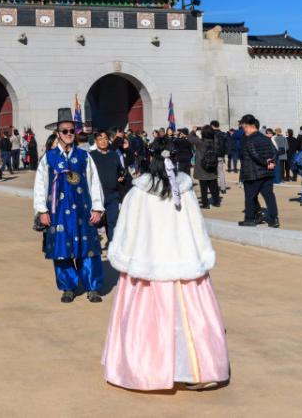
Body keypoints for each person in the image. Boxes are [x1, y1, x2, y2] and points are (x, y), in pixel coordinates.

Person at [102, 147, 229, 391]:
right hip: (183, 263)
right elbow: (197, 227)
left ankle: (147, 370)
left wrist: (123, 255)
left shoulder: (138, 193)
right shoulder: (185, 192)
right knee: (190, 318)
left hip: (148, 265)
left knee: (147, 322)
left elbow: (127, 228)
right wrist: (201, 255)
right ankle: (200, 369)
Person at [33, 108, 105, 303]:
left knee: (88, 250)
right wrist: (42, 210)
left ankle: (92, 287)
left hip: (83, 210)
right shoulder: (49, 158)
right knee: (61, 251)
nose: (69, 134)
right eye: (64, 131)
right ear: (58, 134)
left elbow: (94, 182)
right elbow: (40, 185)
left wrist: (97, 208)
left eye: (72, 131)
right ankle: (68, 287)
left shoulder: (84, 157)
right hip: (57, 213)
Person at [238, 115, 279, 227]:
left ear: (248, 126)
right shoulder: (266, 138)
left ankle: (250, 219)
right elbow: (275, 152)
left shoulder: (248, 140)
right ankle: (274, 219)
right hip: (267, 173)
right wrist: (271, 163)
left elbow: (254, 154)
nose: (244, 130)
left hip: (253, 173)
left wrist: (266, 163)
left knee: (250, 197)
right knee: (269, 196)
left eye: (244, 127)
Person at [88, 130, 124, 245]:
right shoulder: (91, 156)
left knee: (112, 222)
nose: (103, 141)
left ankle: (112, 245)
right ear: (95, 141)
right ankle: (93, 246)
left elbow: (120, 170)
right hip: (97, 196)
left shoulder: (114, 154)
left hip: (113, 195)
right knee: (94, 222)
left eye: (105, 139)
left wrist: (122, 175)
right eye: (100, 139)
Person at [188, 125, 221, 209]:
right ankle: (216, 202)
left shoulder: (200, 142)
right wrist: (209, 130)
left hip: (202, 168)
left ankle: (205, 204)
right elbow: (215, 136)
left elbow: (190, 138)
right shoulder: (215, 141)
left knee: (203, 188)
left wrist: (194, 131)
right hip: (212, 167)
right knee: (214, 186)